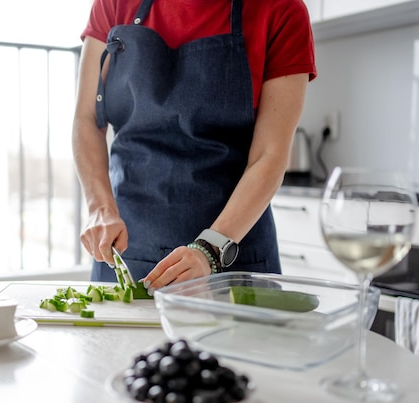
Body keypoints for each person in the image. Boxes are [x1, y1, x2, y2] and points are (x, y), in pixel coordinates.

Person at [72, 0, 317, 295]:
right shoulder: (114, 4)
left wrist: (210, 249)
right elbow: (86, 120)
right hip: (127, 251)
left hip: (231, 257)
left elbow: (270, 154)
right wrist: (99, 208)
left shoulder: (281, 9)